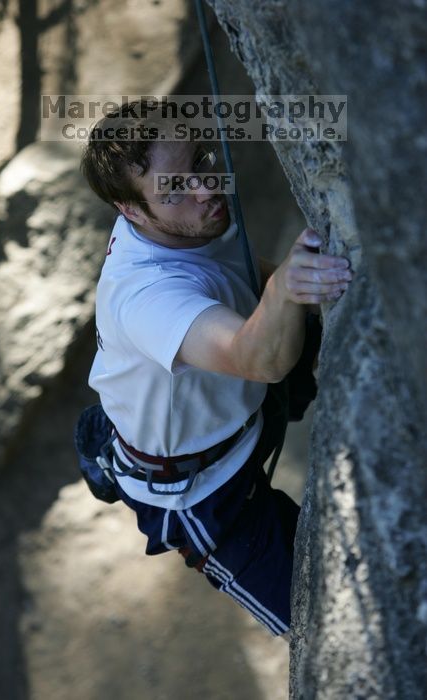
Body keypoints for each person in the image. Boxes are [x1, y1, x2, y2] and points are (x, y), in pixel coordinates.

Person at [76, 100, 353, 637]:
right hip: (201, 493)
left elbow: (239, 269)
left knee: (300, 324)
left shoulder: (191, 217)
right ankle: (114, 456)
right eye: (174, 189)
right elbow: (260, 359)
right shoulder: (147, 297)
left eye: (202, 160)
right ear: (129, 211)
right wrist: (289, 287)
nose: (206, 189)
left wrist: (287, 287)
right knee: (326, 621)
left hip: (238, 416)